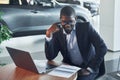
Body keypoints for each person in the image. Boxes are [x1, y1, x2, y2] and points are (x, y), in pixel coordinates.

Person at [45, 6, 107, 80]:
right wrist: (49, 35)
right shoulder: (57, 32)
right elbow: (50, 56)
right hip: (70, 67)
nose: (68, 25)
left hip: (87, 67)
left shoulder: (86, 28)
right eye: (64, 22)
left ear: (76, 19)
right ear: (60, 20)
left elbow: (102, 47)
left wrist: (90, 68)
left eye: (71, 21)